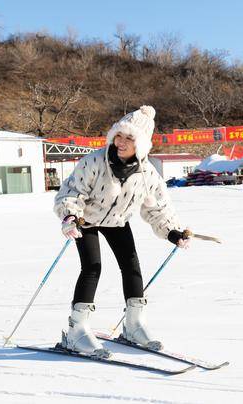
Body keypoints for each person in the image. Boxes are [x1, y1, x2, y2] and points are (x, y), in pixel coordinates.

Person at [53, 105, 190, 358]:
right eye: (119, 135)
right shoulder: (95, 161)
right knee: (93, 267)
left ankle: (134, 325)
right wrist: (71, 215)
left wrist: (172, 232)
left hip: (118, 221)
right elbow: (72, 192)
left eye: (130, 138)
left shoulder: (146, 173)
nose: (122, 142)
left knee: (132, 266)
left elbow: (158, 207)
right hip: (87, 220)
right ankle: (77, 331)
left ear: (141, 144)